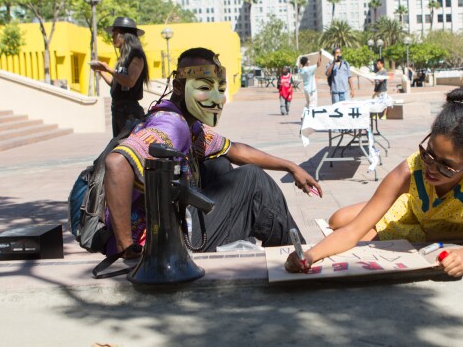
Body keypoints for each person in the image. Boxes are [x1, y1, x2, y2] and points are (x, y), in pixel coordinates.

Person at [103, 47, 323, 257]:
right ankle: (300, 259)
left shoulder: (190, 125)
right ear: (179, 87)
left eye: (219, 89)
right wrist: (126, 249)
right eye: (204, 88)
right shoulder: (172, 126)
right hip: (158, 246)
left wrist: (290, 166)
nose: (216, 98)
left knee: (220, 164)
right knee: (253, 180)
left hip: (171, 229)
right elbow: (116, 163)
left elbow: (236, 150)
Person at [285, 87, 463, 278]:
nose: (431, 168)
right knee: (338, 220)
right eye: (429, 153)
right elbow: (352, 231)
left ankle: (384, 208)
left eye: (445, 165)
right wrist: (310, 256)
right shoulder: (410, 170)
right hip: (422, 219)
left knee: (361, 233)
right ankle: (387, 204)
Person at [90, 17, 150, 136]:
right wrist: (101, 71)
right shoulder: (123, 58)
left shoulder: (136, 57)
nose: (112, 36)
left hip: (129, 112)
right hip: (117, 110)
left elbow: (130, 82)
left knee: (125, 148)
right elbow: (115, 83)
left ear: (125, 35)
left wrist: (108, 69)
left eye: (115, 33)